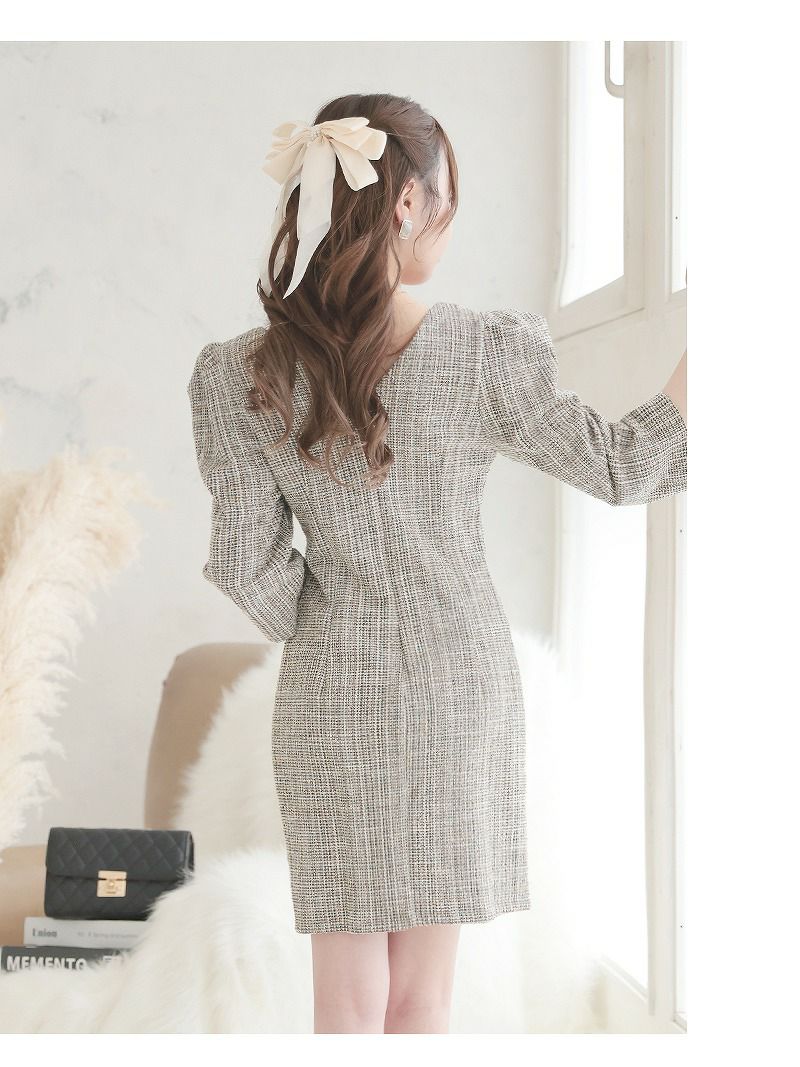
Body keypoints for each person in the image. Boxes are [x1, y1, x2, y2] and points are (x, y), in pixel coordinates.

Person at [187, 92, 687, 1035]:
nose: (449, 222)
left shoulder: (236, 374)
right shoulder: (480, 352)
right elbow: (624, 466)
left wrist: (332, 614)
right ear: (408, 202)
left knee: (343, 1003)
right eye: (446, 199)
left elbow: (247, 566)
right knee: (426, 1000)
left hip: (332, 699)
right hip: (458, 690)